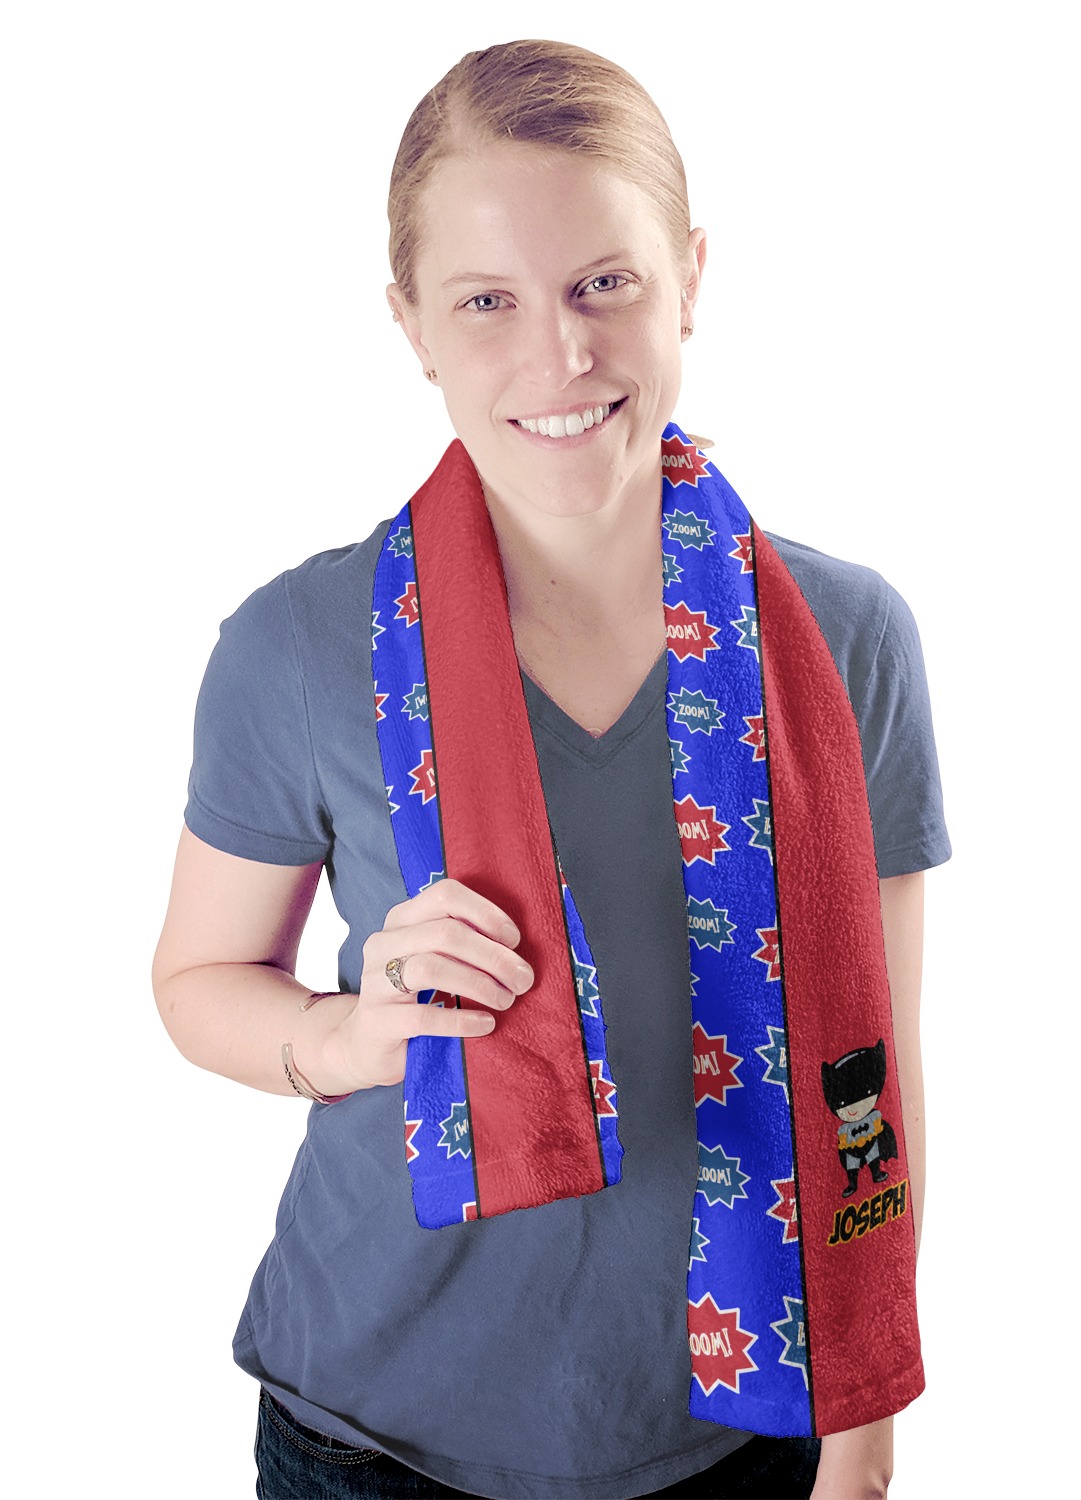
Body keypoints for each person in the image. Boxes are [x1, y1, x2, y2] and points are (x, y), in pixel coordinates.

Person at [153, 39, 950, 1500]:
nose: (560, 354)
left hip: (743, 1420)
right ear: (411, 322)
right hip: (369, 1435)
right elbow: (199, 982)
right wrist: (350, 1036)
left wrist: (862, 1425)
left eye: (605, 282)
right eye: (486, 301)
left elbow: (876, 1070)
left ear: (689, 278)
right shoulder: (299, 645)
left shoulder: (849, 639)